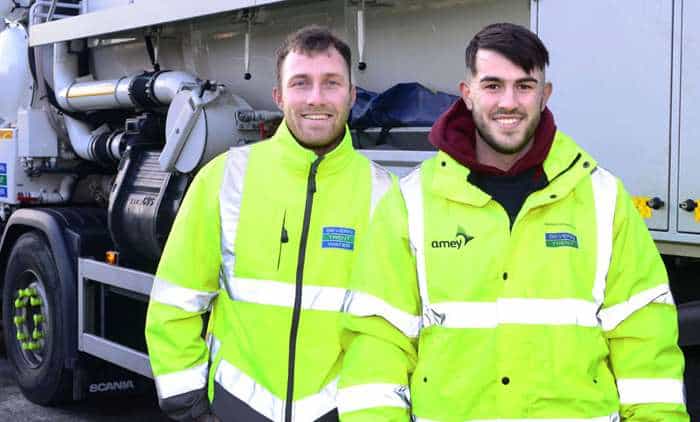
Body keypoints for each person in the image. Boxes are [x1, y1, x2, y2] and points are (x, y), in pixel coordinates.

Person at [338, 22, 689, 421]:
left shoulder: (604, 198)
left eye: (524, 86)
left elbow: (644, 338)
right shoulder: (410, 202)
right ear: (467, 94)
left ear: (545, 95)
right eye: (492, 85)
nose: (509, 101)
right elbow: (378, 342)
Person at [145, 25, 393, 422]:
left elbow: (388, 329)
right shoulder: (224, 179)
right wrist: (190, 407)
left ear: (351, 95)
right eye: (300, 83)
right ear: (279, 96)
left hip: (338, 412)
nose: (316, 98)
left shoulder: (383, 193)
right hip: (236, 408)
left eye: (331, 83)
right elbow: (174, 303)